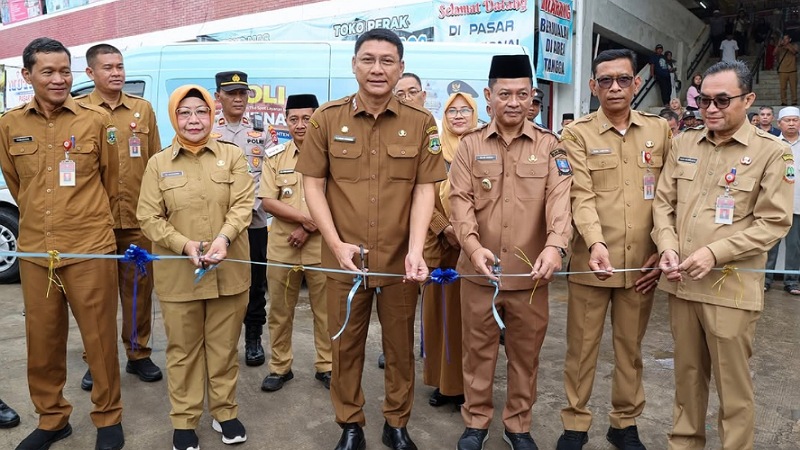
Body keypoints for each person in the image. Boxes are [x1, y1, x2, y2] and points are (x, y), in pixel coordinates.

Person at [295, 28, 444, 450]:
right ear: (354, 64)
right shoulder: (327, 118)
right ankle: (350, 423)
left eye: (386, 60)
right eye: (368, 59)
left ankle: (396, 422)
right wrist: (335, 242)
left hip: (400, 261)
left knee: (399, 348)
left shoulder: (420, 123)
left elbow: (424, 189)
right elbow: (313, 185)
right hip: (345, 260)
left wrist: (416, 250)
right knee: (344, 345)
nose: (377, 69)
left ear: (400, 67)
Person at [653, 60, 793, 450]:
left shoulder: (772, 153)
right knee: (687, 380)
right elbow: (663, 204)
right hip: (681, 285)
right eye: (703, 101)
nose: (711, 109)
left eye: (722, 100)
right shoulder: (684, 143)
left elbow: (773, 222)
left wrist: (714, 253)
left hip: (730, 290)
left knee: (733, 389)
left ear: (747, 100)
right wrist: (666, 244)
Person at [0, 37, 124, 450]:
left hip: (89, 246)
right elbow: (19, 187)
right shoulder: (9, 124)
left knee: (99, 339)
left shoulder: (94, 120)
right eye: (48, 71)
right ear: (28, 75)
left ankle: (108, 418)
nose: (58, 79)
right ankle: (52, 418)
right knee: (43, 340)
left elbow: (111, 180)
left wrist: (84, 221)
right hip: (37, 251)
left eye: (65, 71)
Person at [449, 54, 572, 450]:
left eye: (523, 94)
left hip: (531, 276)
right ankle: (476, 421)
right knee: (477, 352)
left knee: (525, 357)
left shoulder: (551, 146)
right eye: (505, 94)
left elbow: (560, 202)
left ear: (532, 96)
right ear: (489, 95)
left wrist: (555, 247)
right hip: (478, 273)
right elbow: (460, 202)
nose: (514, 102)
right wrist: (472, 247)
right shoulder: (469, 147)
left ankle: (518, 425)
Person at [555, 48, 670, 450]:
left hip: (641, 265)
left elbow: (669, 197)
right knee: (581, 350)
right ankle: (574, 424)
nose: (615, 87)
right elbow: (579, 195)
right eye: (606, 80)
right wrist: (596, 242)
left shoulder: (660, 132)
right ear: (593, 86)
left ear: (637, 83)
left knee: (630, 351)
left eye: (624, 79)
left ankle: (624, 424)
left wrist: (663, 245)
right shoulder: (577, 134)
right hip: (592, 264)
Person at [137, 85, 253, 450]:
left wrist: (224, 238)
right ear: (174, 118)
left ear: (211, 115)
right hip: (178, 274)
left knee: (223, 348)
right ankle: (185, 420)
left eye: (200, 112)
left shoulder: (232, 156)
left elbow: (243, 204)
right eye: (184, 113)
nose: (193, 120)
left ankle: (224, 412)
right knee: (183, 350)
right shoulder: (158, 163)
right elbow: (148, 216)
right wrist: (183, 244)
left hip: (229, 270)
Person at [76, 43, 163, 391]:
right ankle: (95, 359)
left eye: (120, 66)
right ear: (90, 73)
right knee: (95, 297)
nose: (116, 72)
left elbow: (156, 162)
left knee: (139, 291)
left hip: (139, 220)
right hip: (95, 222)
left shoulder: (142, 109)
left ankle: (138, 354)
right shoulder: (78, 112)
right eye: (108, 67)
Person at [258, 94, 332, 392]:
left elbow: (337, 201)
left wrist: (307, 229)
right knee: (279, 312)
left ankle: (327, 366)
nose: (300, 125)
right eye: (294, 119)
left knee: (326, 313)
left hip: (321, 250)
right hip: (283, 249)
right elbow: (267, 201)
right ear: (286, 121)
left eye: (307, 118)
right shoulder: (275, 156)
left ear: (317, 120)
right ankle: (280, 367)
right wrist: (306, 220)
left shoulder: (333, 156)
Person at [421, 91, 477, 409]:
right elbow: (422, 195)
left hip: (473, 248)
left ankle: (469, 385)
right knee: (438, 318)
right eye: (452, 111)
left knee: (471, 321)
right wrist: (445, 227)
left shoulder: (483, 147)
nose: (458, 116)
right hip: (439, 246)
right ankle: (444, 384)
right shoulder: (434, 149)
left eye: (465, 110)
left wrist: (467, 234)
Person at [211, 70, 271, 367]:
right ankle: (223, 340)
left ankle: (253, 338)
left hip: (255, 223)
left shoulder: (261, 132)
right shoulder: (208, 132)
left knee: (256, 284)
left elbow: (266, 177)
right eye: (231, 93)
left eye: (242, 93)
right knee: (222, 282)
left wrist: (249, 209)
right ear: (218, 96)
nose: (238, 99)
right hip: (219, 225)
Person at [765, 106, 800, 294]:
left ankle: (792, 281)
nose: (792, 123)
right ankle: (765, 278)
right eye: (788, 120)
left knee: (794, 245)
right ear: (779, 123)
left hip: (797, 203)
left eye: (795, 120)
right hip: (775, 203)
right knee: (770, 243)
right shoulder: (771, 144)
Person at [775, 34, 798, 106]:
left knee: (793, 87)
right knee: (783, 88)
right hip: (782, 70)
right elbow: (774, 53)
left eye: (786, 39)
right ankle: (784, 101)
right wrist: (778, 45)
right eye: (783, 39)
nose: (784, 40)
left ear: (789, 39)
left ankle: (794, 101)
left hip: (792, 70)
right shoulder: (780, 47)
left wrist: (787, 45)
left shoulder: (794, 45)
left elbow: (794, 51)